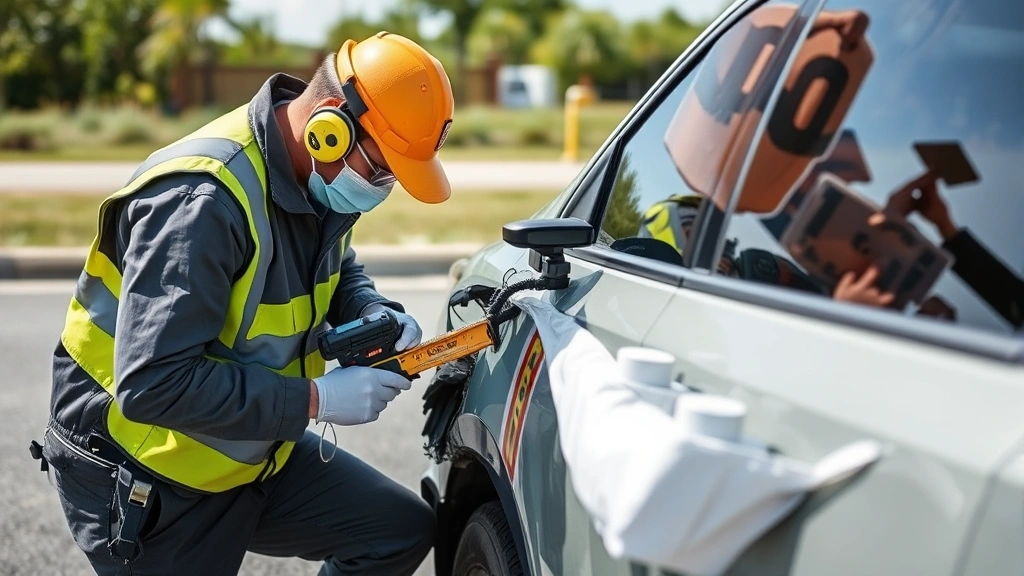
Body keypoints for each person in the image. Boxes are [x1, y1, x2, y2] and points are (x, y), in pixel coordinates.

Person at [30, 31, 453, 576]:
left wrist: (368, 311)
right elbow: (154, 385)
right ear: (329, 128)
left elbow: (337, 266)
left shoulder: (313, 178)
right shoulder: (201, 204)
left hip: (245, 450)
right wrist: (316, 400)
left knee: (395, 531)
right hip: (147, 474)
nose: (385, 186)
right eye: (382, 169)